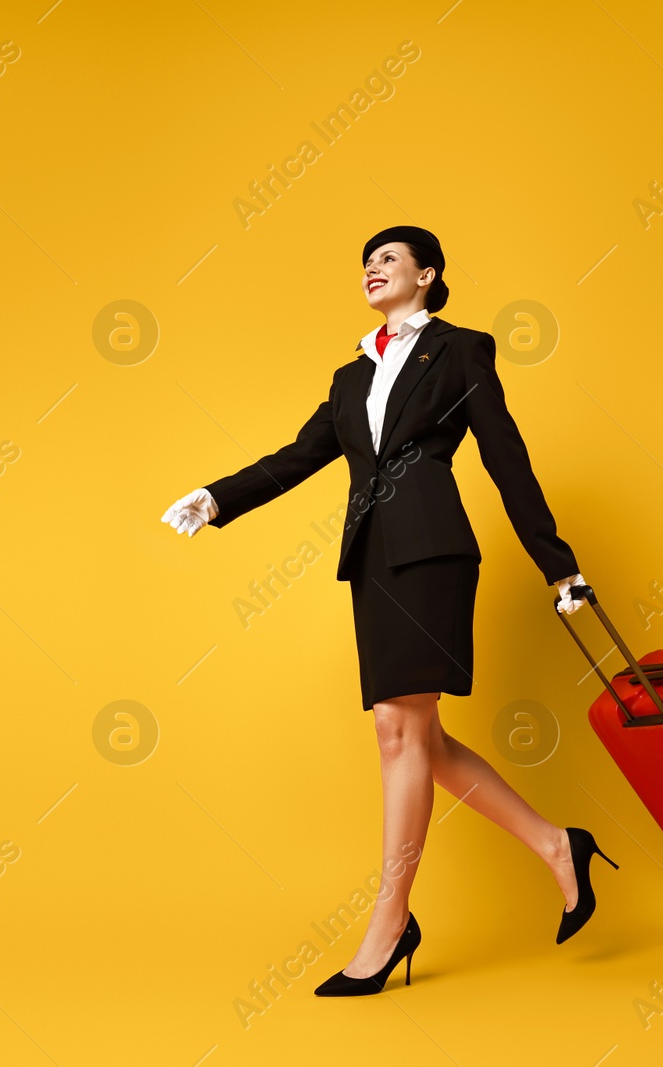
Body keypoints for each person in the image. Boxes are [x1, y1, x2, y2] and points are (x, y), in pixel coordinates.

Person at [160, 225, 616, 996]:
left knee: (397, 730)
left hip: (434, 555)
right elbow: (298, 455)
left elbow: (508, 457)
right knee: (420, 738)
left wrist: (559, 564)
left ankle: (389, 921)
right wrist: (216, 496)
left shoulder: (462, 350)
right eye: (366, 261)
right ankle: (556, 844)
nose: (373, 269)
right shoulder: (349, 375)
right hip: (373, 564)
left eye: (390, 260)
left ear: (428, 274)